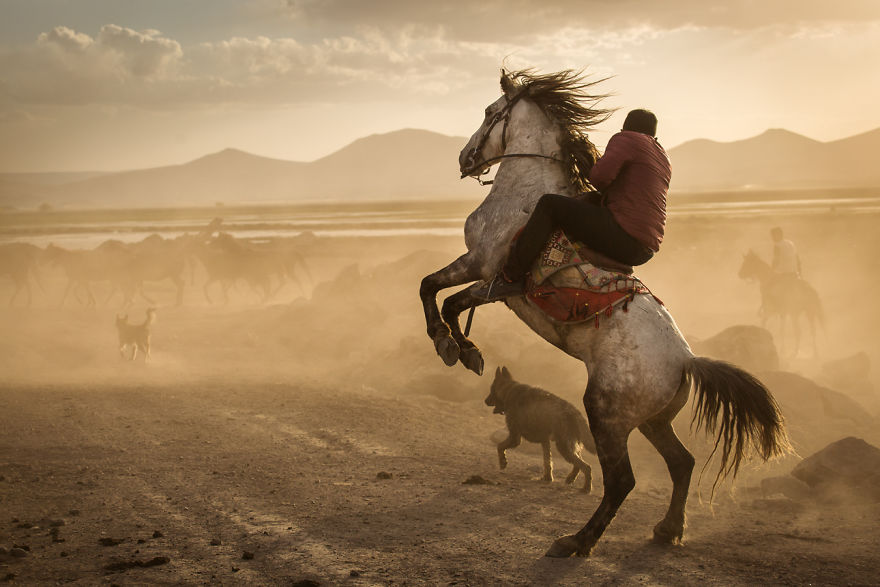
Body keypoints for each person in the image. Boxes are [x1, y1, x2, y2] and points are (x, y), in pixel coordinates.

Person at [474, 108, 672, 301]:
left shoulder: (627, 139)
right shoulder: (662, 156)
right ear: (653, 135)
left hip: (624, 236)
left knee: (550, 204)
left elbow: (599, 178)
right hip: (645, 249)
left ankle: (510, 277)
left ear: (625, 128)